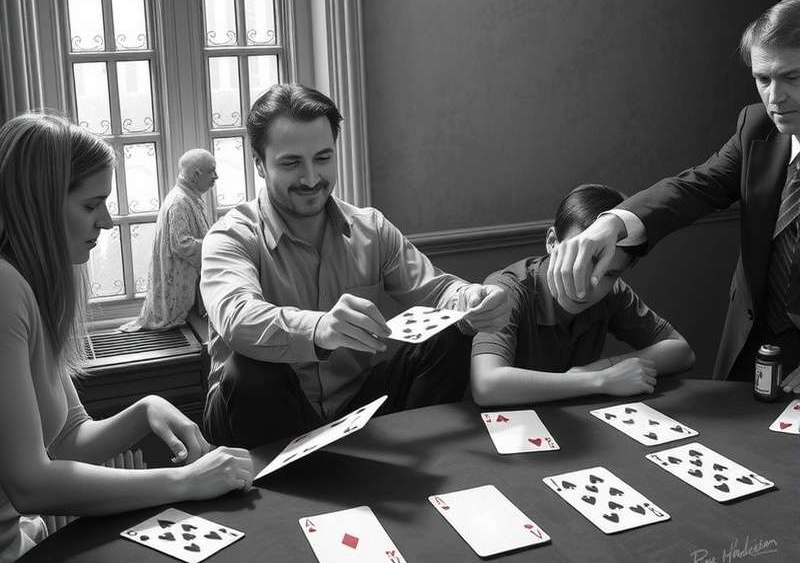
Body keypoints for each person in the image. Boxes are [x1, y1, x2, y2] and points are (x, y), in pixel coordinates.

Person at [0, 113, 253, 563]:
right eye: (91, 205)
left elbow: (68, 441)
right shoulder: (3, 289)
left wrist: (145, 408)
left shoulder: (28, 288)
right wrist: (182, 481)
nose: (109, 221)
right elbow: (30, 485)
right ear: (38, 205)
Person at [201, 83, 510, 448]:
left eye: (322, 158)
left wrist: (473, 300)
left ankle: (409, 460)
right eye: (291, 163)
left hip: (352, 411)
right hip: (255, 414)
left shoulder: (371, 229)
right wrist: (319, 328)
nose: (311, 178)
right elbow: (237, 319)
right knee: (250, 368)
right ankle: (293, 491)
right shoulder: (230, 238)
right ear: (259, 165)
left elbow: (440, 291)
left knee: (454, 333)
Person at [547, 0, 800, 395]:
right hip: (753, 349)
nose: (775, 97)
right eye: (763, 79)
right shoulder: (755, 127)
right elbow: (693, 187)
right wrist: (609, 224)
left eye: (793, 77)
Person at [471, 184, 695, 406]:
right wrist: (600, 380)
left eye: (609, 273)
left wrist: (602, 366)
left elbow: (681, 351)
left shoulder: (613, 291)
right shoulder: (507, 289)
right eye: (580, 262)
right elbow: (487, 386)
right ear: (552, 242)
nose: (588, 285)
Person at [120, 149, 217, 332]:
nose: (216, 176)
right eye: (211, 171)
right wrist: (218, 245)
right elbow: (181, 244)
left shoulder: (188, 197)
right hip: (178, 297)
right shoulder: (179, 201)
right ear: (196, 174)